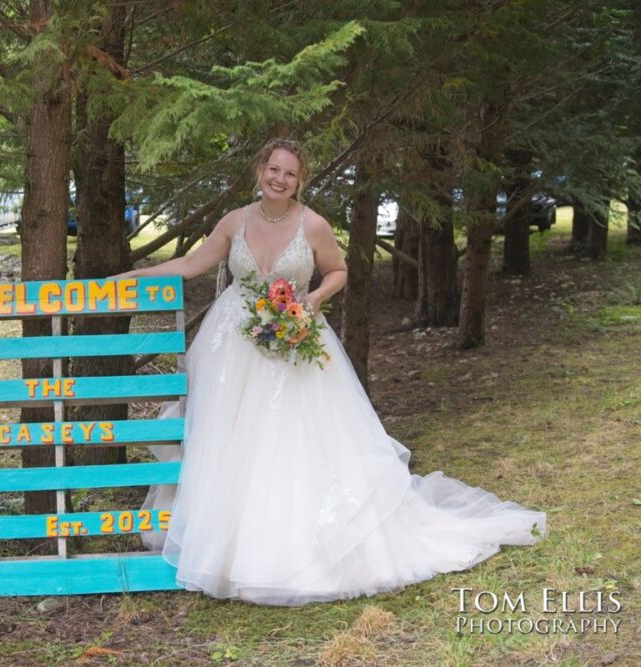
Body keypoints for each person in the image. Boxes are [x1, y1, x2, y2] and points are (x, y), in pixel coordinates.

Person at [119, 138, 545, 605]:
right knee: (227, 440)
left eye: (290, 174)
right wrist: (133, 276)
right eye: (273, 169)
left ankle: (287, 551)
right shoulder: (235, 221)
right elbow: (192, 264)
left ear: (301, 181)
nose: (280, 179)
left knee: (291, 442)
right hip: (232, 345)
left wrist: (313, 300)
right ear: (260, 169)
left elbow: (337, 271)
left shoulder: (313, 225)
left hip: (294, 340)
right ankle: (225, 547)